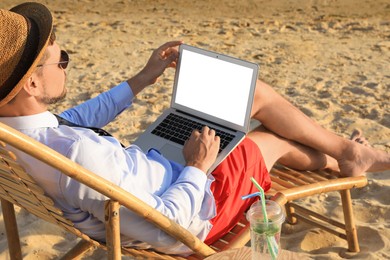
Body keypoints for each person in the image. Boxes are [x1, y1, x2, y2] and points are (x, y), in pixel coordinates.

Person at [1, 2, 389, 255]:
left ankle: (344, 156)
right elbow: (172, 229)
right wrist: (198, 166)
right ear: (32, 84)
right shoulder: (75, 154)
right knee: (265, 131)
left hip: (154, 174)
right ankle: (346, 158)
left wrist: (143, 78)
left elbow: (77, 119)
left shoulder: (20, 134)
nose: (66, 65)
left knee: (248, 104)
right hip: (198, 207)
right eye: (60, 60)